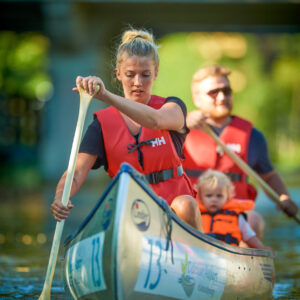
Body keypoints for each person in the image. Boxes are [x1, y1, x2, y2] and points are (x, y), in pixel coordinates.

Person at [51, 28, 202, 231]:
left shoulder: (173, 107)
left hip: (175, 208)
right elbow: (76, 172)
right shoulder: (101, 124)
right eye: (130, 75)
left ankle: (196, 253)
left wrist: (106, 96)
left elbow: (155, 121)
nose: (138, 83)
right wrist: (61, 197)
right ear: (118, 74)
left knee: (186, 205)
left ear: (155, 73)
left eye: (145, 75)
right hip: (131, 209)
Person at [183, 64, 298, 239]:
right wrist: (181, 124)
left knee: (255, 220)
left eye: (227, 91)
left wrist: (284, 198)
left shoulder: (252, 136)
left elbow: (268, 176)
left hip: (235, 222)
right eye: (213, 92)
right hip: (192, 220)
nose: (221, 97)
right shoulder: (179, 130)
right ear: (197, 99)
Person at [197, 169, 273, 251]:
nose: (214, 200)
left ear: (227, 197)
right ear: (200, 197)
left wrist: (261, 247)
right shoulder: (196, 215)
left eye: (219, 196)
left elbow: (249, 236)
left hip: (227, 254)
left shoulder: (236, 216)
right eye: (209, 196)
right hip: (202, 252)